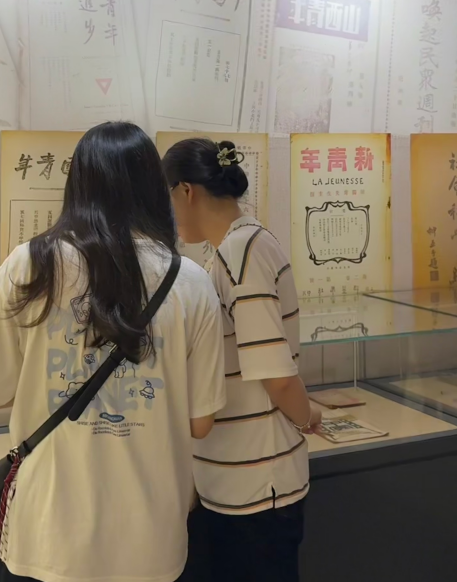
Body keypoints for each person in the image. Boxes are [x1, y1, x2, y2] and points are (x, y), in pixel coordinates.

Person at [0, 122, 227, 582]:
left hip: (48, 533)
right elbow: (201, 423)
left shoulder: (32, 264)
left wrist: (42, 381)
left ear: (77, 184)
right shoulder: (190, 281)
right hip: (150, 538)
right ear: (154, 188)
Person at [162, 137, 320, 582]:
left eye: (166, 197)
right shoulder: (234, 249)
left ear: (186, 191)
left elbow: (275, 374)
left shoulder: (241, 252)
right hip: (237, 483)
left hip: (256, 487)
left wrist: (308, 417)